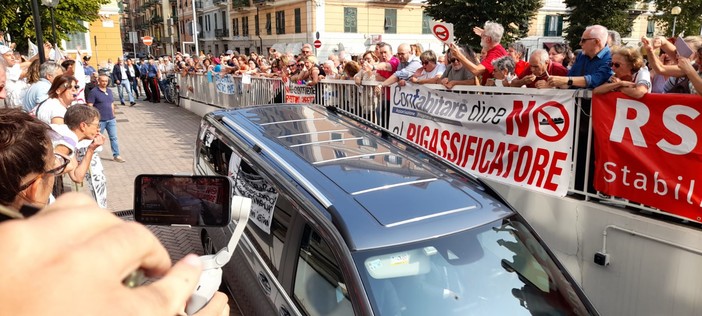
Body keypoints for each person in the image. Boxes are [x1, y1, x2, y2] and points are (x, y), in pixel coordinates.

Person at [548, 25, 613, 89]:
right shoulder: (581, 55)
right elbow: (569, 80)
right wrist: (551, 84)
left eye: (583, 40)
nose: (580, 43)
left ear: (596, 41)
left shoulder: (611, 58)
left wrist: (565, 80)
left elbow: (596, 80)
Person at [88, 74, 126, 163]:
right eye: (103, 81)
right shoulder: (94, 92)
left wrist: (113, 114)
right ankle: (91, 154)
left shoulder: (109, 91)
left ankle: (116, 155)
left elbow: (111, 103)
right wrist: (94, 119)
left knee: (114, 137)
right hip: (100, 120)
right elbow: (90, 106)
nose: (104, 83)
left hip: (111, 119)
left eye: (106, 81)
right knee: (95, 138)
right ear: (99, 81)